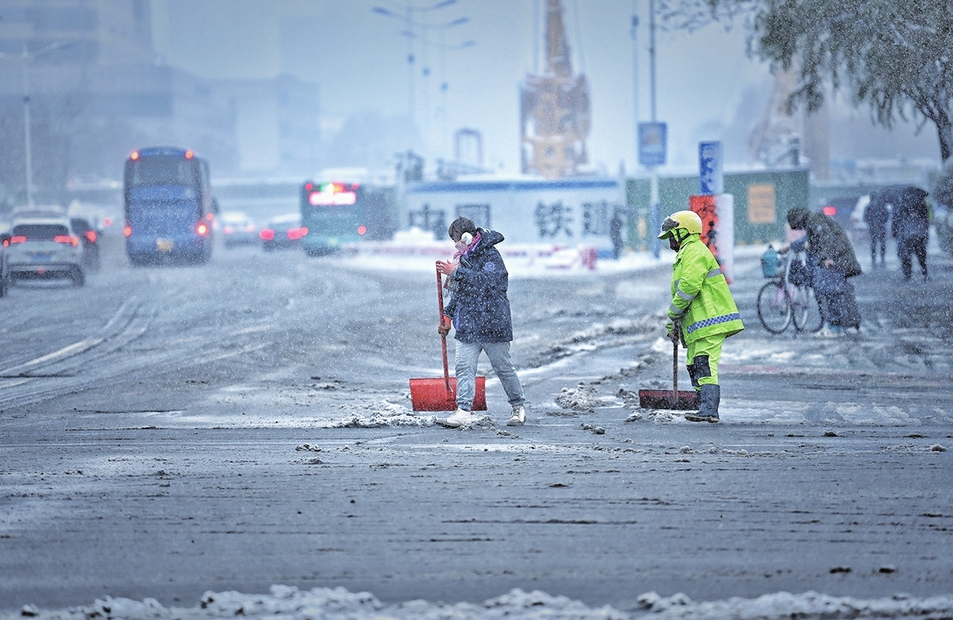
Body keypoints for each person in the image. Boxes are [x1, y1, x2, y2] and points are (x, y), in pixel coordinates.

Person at [435, 216, 527, 428]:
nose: (455, 245)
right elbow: (459, 293)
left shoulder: (491, 255)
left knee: (503, 368)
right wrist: (448, 316)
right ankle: (463, 410)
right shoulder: (461, 259)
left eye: (456, 240)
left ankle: (518, 407)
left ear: (467, 237)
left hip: (493, 324)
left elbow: (489, 283)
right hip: (468, 325)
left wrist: (457, 272)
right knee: (463, 368)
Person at [658, 210, 744, 423]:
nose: (670, 241)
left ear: (682, 232)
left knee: (704, 363)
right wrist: (672, 325)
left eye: (671, 236)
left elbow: (688, 287)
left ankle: (709, 409)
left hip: (711, 322)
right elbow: (682, 294)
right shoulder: (686, 254)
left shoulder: (695, 251)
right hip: (699, 324)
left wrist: (672, 313)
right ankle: (702, 404)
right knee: (694, 364)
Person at [785, 207, 862, 337]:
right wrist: (792, 246)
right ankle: (835, 325)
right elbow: (813, 240)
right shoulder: (814, 220)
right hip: (838, 259)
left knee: (830, 291)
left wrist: (827, 257)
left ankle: (835, 327)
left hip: (836, 260)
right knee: (831, 291)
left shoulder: (814, 220)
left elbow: (826, 237)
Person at [891, 187, 930, 281]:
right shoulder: (922, 204)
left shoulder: (902, 204)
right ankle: (925, 273)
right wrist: (925, 233)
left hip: (906, 235)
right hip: (920, 234)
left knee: (905, 256)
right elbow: (926, 220)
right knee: (921, 255)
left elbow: (895, 220)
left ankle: (907, 275)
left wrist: (894, 232)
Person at [863, 191, 890, 269]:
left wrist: (871, 223)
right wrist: (881, 222)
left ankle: (874, 259)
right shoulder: (882, 206)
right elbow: (886, 216)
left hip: (873, 228)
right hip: (881, 227)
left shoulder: (868, 207)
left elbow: (865, 218)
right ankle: (882, 259)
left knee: (873, 244)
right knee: (882, 244)